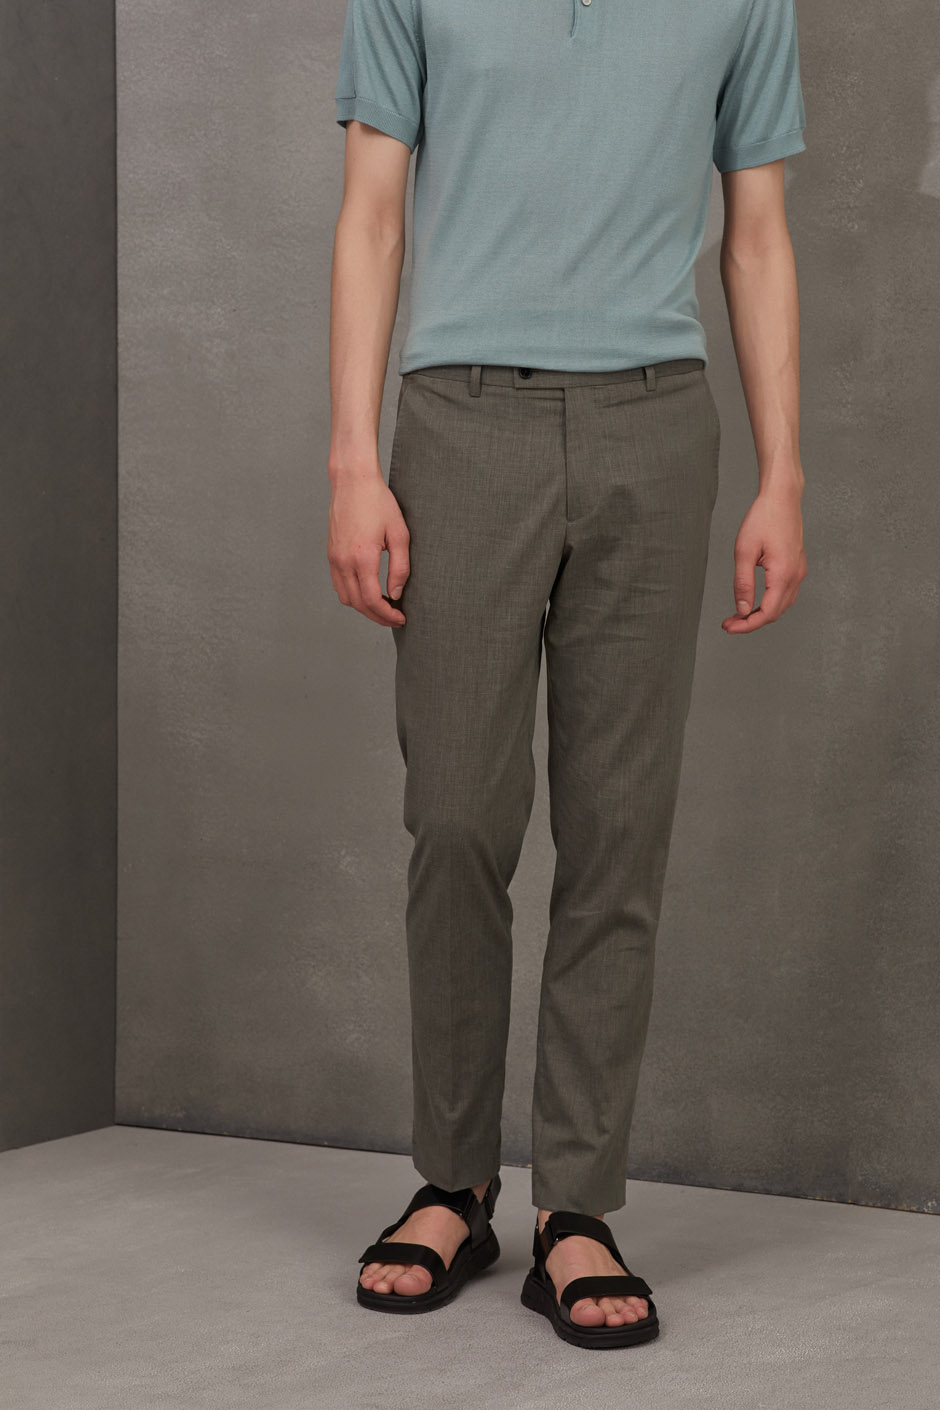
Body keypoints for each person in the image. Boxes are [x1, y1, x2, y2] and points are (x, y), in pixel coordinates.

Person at [327, 0, 808, 1350]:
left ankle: (578, 1208)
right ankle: (454, 1182)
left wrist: (784, 473)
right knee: (457, 816)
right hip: (459, 416)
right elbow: (373, 216)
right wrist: (353, 458)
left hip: (656, 423)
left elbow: (757, 234)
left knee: (617, 833)